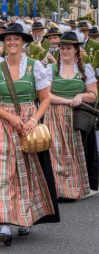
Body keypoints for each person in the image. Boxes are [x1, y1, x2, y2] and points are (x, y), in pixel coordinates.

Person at [0, 22, 60, 246]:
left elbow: (44, 99)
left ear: (24, 42)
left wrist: (33, 120)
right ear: (4, 42)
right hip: (4, 123)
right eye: (8, 39)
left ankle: (25, 217)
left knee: (25, 173)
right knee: (1, 173)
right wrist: (11, 118)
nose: (12, 42)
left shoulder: (35, 66)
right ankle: (6, 225)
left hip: (28, 122)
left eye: (16, 39)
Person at [45, 31, 97, 200]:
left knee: (73, 152)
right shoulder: (52, 69)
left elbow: (93, 95)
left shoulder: (84, 69)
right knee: (55, 151)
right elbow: (46, 95)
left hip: (77, 117)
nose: (65, 51)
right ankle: (57, 189)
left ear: (76, 49)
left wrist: (80, 96)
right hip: (55, 114)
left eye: (68, 48)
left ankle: (71, 190)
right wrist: (67, 101)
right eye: (62, 48)